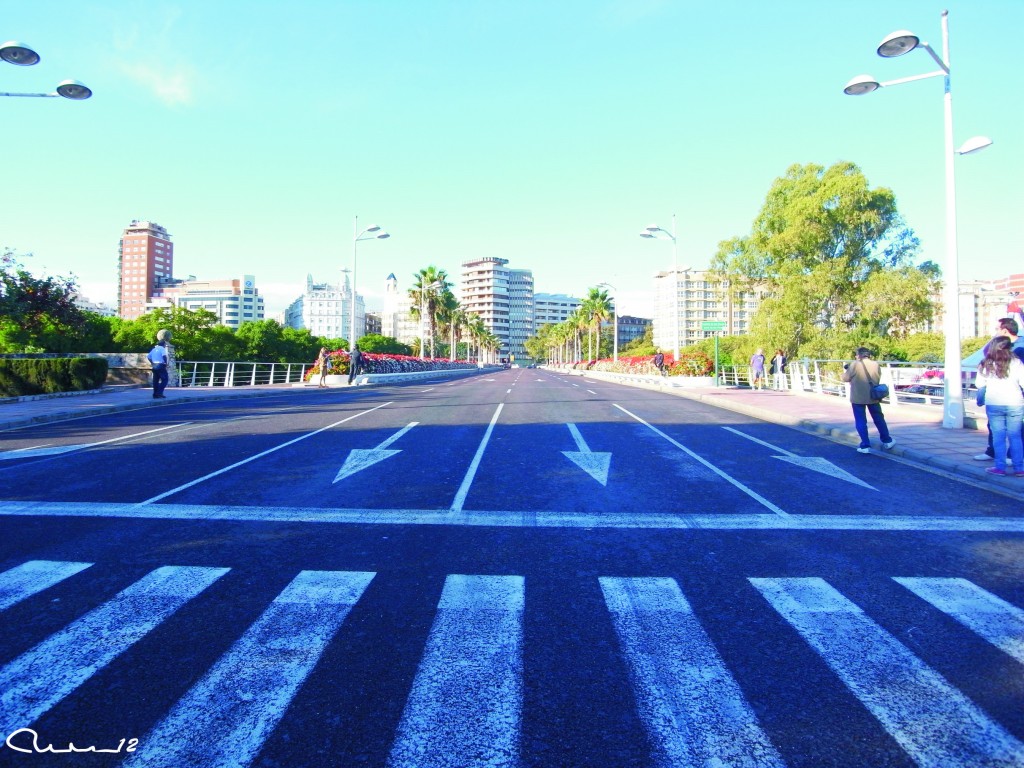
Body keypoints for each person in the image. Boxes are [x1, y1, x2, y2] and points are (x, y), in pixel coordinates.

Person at [974, 318, 1024, 461]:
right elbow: (986, 354)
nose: (995, 332)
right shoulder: (997, 344)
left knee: (1016, 430)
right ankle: (993, 452)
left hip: (1015, 395)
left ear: (1005, 330)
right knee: (994, 427)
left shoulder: (1020, 347)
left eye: (997, 329)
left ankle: (1011, 457)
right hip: (995, 396)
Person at [841, 347, 895, 454]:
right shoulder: (875, 364)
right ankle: (887, 440)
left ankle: (865, 445)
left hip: (858, 398)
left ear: (858, 355)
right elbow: (877, 377)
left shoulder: (855, 365)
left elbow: (845, 378)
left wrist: (847, 370)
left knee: (861, 421)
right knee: (879, 418)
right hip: (873, 396)